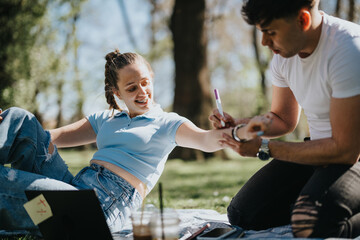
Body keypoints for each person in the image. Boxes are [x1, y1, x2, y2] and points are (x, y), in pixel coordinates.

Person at [0, 50, 269, 237]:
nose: (142, 92)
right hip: (75, 186)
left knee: (7, 182)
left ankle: (31, 212)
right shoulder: (107, 118)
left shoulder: (167, 122)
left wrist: (237, 132)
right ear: (116, 92)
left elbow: (207, 141)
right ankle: (30, 212)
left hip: (98, 208)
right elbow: (44, 138)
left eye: (145, 83)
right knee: (20, 117)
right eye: (131, 88)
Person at [209, 0, 360, 238]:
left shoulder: (349, 49)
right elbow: (282, 118)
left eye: (271, 33)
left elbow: (346, 150)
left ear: (303, 20)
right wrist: (240, 124)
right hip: (320, 151)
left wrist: (266, 148)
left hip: (352, 155)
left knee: (311, 224)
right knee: (242, 214)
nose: (264, 43)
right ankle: (321, 199)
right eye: (261, 33)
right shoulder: (284, 55)